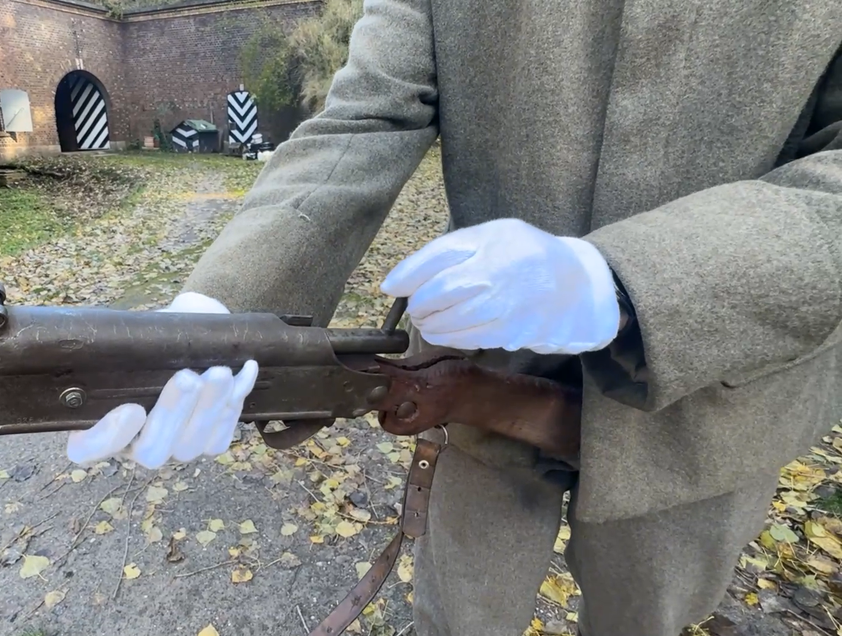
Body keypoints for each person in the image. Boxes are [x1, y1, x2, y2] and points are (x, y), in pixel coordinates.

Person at [66, 1, 842, 634]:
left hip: (716, 387)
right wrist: (223, 308)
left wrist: (636, 278)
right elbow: (365, 116)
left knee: (652, 617)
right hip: (479, 386)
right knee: (457, 615)